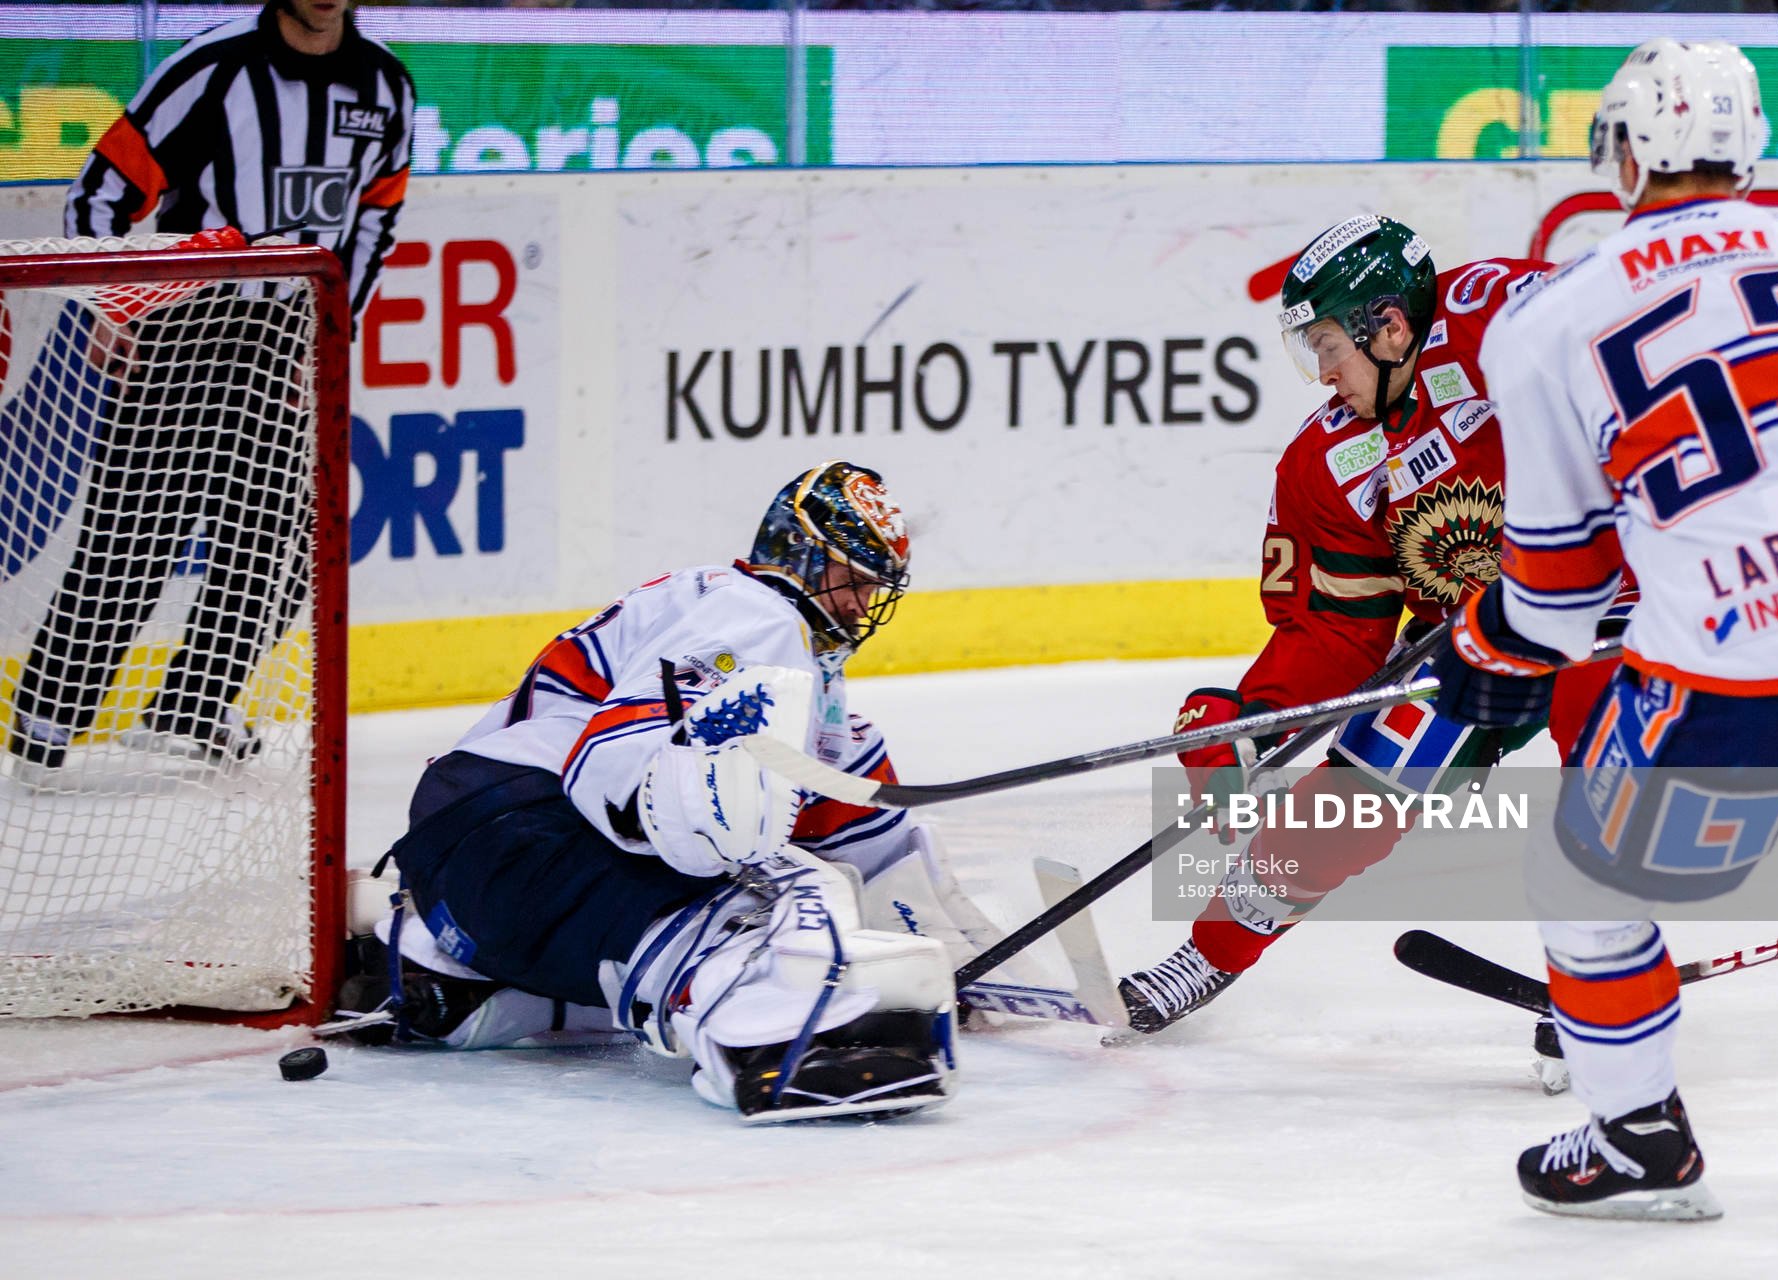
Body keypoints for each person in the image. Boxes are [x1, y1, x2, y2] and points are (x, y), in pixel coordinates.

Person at [1432, 39, 1778, 1219]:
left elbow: (1550, 599)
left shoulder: (1553, 320)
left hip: (1734, 688)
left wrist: (1485, 655)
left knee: (1580, 874)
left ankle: (1637, 1131)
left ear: (1628, 151)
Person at [339, 462, 1008, 1123]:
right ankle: (793, 1040)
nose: (861, 605)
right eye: (850, 580)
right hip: (529, 827)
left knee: (648, 962)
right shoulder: (761, 617)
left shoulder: (765, 651)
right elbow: (617, 771)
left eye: (873, 587)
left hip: (468, 859)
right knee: (786, 891)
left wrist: (964, 965)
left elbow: (873, 841)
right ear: (800, 554)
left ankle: (445, 982)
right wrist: (721, 852)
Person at [1117, 214, 1624, 1036]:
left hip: (1617, 596)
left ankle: (1608, 991)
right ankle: (1208, 955)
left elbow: (1640, 319)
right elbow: (1339, 632)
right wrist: (1254, 718)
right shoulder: (1325, 463)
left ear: (1389, 327)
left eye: (1327, 347)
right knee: (1353, 802)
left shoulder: (1493, 318)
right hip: (1472, 647)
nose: (1322, 375)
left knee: (1605, 768)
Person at [8, 0, 414, 771]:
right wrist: (113, 303)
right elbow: (103, 188)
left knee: (284, 539)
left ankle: (191, 706)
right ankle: (48, 718)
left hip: (287, 330)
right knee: (135, 530)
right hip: (186, 321)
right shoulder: (211, 64)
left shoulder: (387, 85)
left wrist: (333, 328)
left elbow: (374, 217)